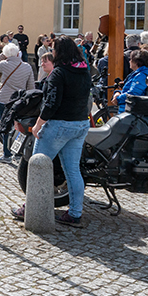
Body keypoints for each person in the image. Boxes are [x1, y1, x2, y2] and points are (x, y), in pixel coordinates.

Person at [12, 35, 91, 227]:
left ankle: (30, 209)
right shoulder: (84, 71)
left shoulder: (59, 73)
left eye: (54, 49)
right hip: (80, 124)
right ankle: (75, 213)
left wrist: (38, 124)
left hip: (59, 125)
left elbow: (51, 103)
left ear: (59, 52)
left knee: (37, 166)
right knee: (73, 171)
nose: (52, 52)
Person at [0, 43, 35, 163]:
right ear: (18, 53)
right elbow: (31, 86)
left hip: (5, 99)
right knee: (19, 127)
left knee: (5, 126)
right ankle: (18, 152)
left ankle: (6, 154)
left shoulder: (4, 64)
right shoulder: (27, 67)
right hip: (20, 101)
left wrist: (3, 55)